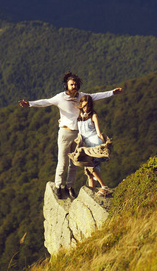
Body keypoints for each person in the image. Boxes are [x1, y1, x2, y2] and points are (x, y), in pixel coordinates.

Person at [19, 71, 123, 199]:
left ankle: (70, 187)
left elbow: (96, 96)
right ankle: (58, 185)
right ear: (66, 85)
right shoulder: (60, 97)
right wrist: (29, 103)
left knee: (74, 163)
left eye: (75, 84)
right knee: (62, 162)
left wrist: (112, 92)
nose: (74, 86)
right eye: (71, 84)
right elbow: (45, 102)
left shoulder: (82, 96)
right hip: (64, 133)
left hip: (78, 134)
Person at [77, 95, 113, 196]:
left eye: (88, 106)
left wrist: (104, 147)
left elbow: (98, 132)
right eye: (84, 106)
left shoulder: (93, 115)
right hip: (84, 144)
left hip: (93, 142)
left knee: (90, 166)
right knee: (88, 170)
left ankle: (104, 186)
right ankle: (92, 191)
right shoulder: (79, 115)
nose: (86, 108)